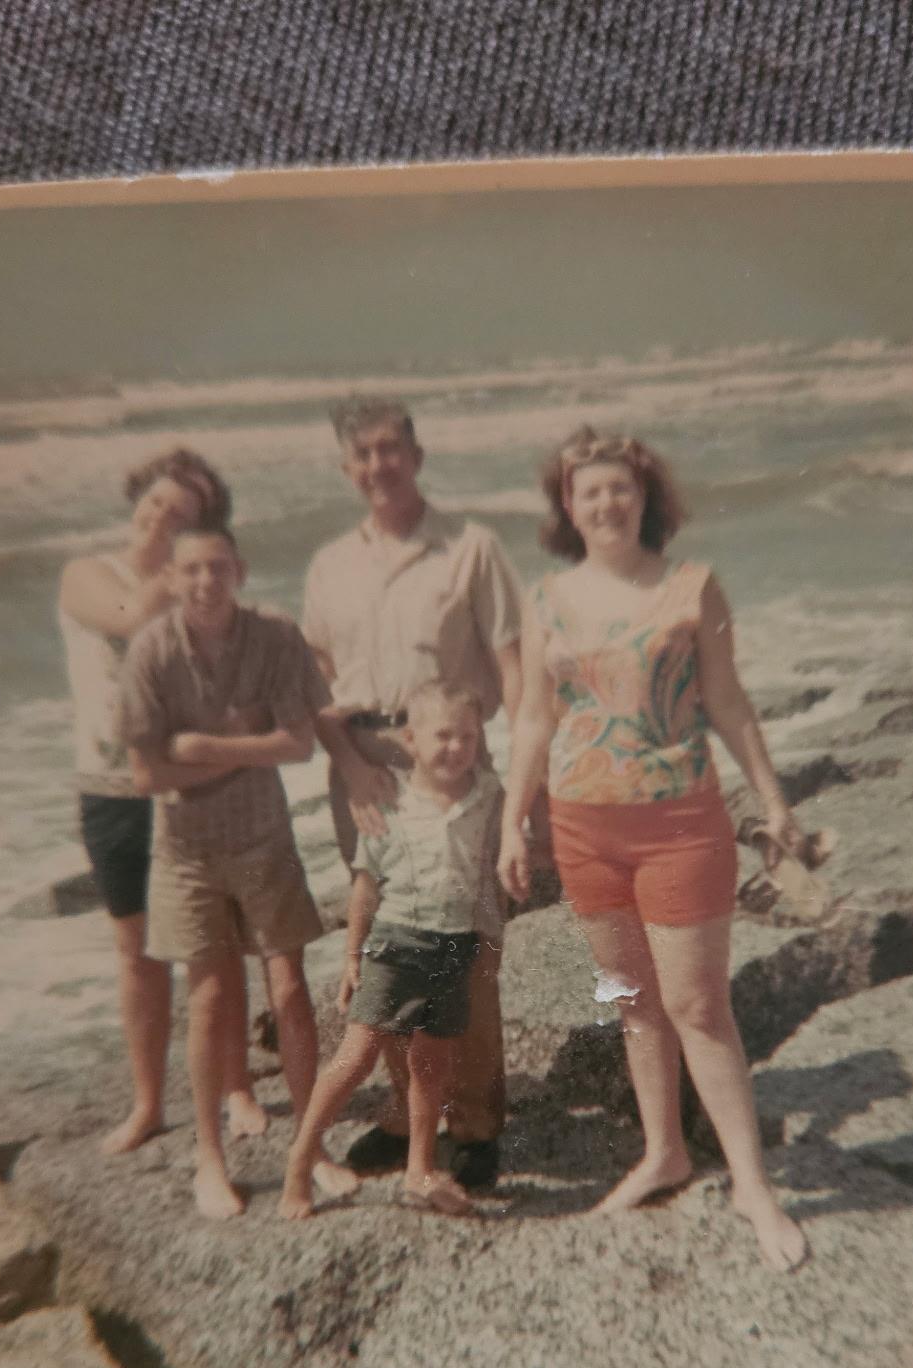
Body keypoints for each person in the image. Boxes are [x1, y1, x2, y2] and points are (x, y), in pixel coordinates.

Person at [498, 427, 809, 1273]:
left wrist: (775, 803)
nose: (605, 503)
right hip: (581, 831)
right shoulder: (544, 598)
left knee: (699, 1008)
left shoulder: (690, 587)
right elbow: (531, 715)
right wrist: (509, 823)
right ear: (567, 506)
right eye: (588, 492)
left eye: (619, 490)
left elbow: (730, 706)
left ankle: (750, 1182)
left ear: (645, 500)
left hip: (680, 827)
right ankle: (663, 1152)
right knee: (631, 1001)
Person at [301, 395, 522, 1192]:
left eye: (390, 450)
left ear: (416, 455)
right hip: (361, 769)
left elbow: (514, 669)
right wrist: (351, 764)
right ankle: (406, 1116)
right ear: (345, 468)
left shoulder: (470, 548)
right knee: (391, 944)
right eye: (361, 455)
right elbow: (316, 686)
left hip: (455, 767)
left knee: (468, 952)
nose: (377, 467)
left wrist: (527, 787)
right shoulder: (329, 565)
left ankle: (476, 1122)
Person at [121, 524, 356, 1221]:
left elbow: (298, 743)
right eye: (190, 570)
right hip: (186, 850)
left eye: (217, 568)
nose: (204, 583)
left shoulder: (275, 637)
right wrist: (238, 745)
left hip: (263, 838)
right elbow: (145, 773)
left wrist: (198, 746)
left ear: (239, 570)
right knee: (209, 998)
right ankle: (210, 1159)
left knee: (288, 990)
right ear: (170, 576)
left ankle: (311, 1150)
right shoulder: (152, 651)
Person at [58, 448, 264, 1155]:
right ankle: (148, 1102)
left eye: (181, 512)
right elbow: (124, 619)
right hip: (111, 787)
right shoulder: (87, 573)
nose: (159, 516)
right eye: (155, 501)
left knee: (217, 941)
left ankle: (236, 1084)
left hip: (193, 783)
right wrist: (178, 575)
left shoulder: (194, 583)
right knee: (136, 950)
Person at [280, 681, 505, 1222]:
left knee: (433, 1065)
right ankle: (300, 1157)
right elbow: (366, 884)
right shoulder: (389, 797)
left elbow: (494, 866)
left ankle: (419, 1170)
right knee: (356, 1056)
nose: (456, 747)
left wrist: (492, 941)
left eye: (468, 736)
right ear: (410, 739)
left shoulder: (489, 793)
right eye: (442, 736)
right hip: (397, 942)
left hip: (457, 943)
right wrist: (353, 958)